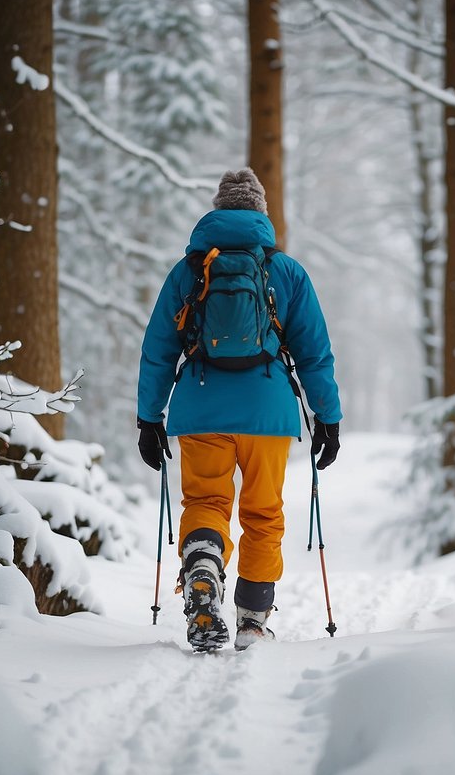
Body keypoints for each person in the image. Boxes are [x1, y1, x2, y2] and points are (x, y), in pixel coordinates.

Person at [137, 168, 342, 652]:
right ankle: (252, 621)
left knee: (206, 503)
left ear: (218, 209)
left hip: (200, 407)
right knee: (262, 514)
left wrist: (149, 418)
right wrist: (327, 418)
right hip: (267, 415)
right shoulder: (286, 271)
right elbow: (315, 353)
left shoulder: (189, 269)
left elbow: (158, 349)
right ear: (261, 215)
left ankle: (203, 566)